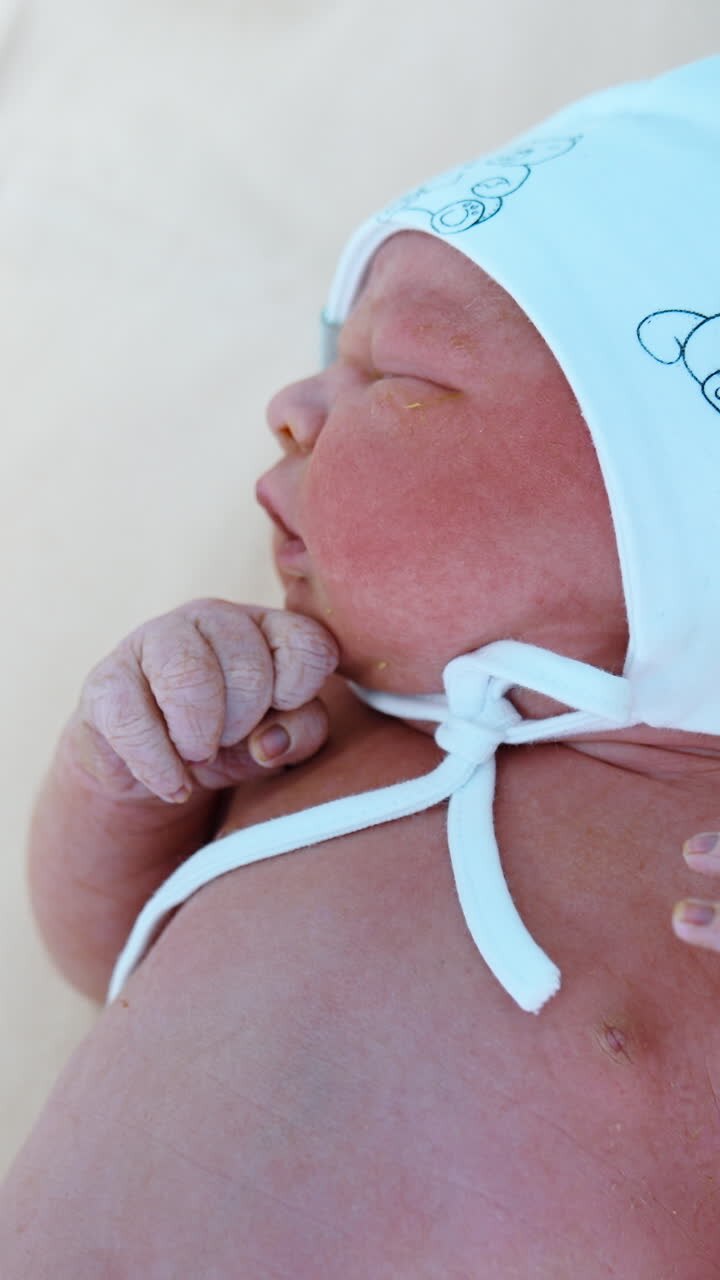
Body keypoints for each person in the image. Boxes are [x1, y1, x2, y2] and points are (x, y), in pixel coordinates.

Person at [3, 56, 720, 1277]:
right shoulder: (298, 710)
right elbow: (101, 954)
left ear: (672, 519)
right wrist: (125, 766)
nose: (289, 402)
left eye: (396, 373)